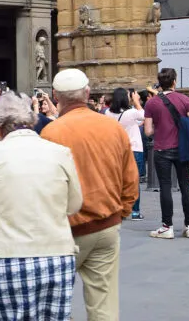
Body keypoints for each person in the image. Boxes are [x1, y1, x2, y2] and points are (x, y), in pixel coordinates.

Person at [0, 91, 83, 321]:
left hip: (9, 257)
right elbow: (74, 204)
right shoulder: (60, 153)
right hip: (57, 257)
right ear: (32, 121)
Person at [41, 69, 138, 321]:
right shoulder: (111, 127)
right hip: (106, 225)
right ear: (87, 93)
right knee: (104, 304)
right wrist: (122, 211)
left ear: (56, 96)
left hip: (66, 230)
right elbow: (130, 178)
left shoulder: (51, 133)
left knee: (55, 302)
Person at [143, 67, 189, 239]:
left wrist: (159, 126)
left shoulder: (152, 103)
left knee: (165, 186)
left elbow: (147, 131)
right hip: (183, 149)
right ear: (174, 81)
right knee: (185, 185)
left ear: (160, 83)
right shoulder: (185, 100)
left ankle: (167, 226)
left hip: (162, 149)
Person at [103, 87, 145, 221]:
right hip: (134, 148)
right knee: (134, 181)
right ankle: (135, 211)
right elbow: (143, 115)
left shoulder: (108, 113)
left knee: (119, 180)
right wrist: (136, 101)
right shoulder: (132, 112)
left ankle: (119, 208)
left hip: (116, 149)